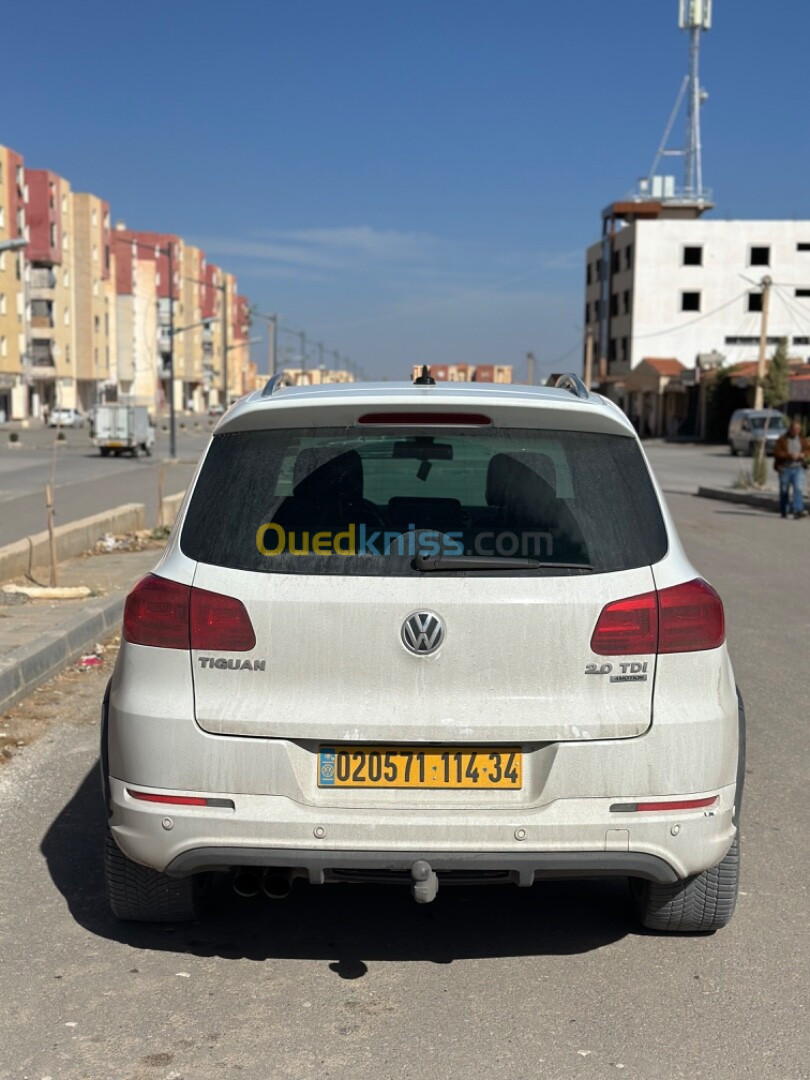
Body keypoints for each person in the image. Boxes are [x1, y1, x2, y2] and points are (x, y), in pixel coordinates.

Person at [773, 417, 810, 519]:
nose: (796, 432)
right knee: (784, 490)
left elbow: (808, 450)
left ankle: (798, 510)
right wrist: (789, 455)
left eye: (798, 430)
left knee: (798, 488)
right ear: (790, 429)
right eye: (794, 429)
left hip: (798, 468)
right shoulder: (782, 440)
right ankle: (784, 510)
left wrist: (803, 455)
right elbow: (776, 452)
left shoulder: (802, 440)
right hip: (785, 468)